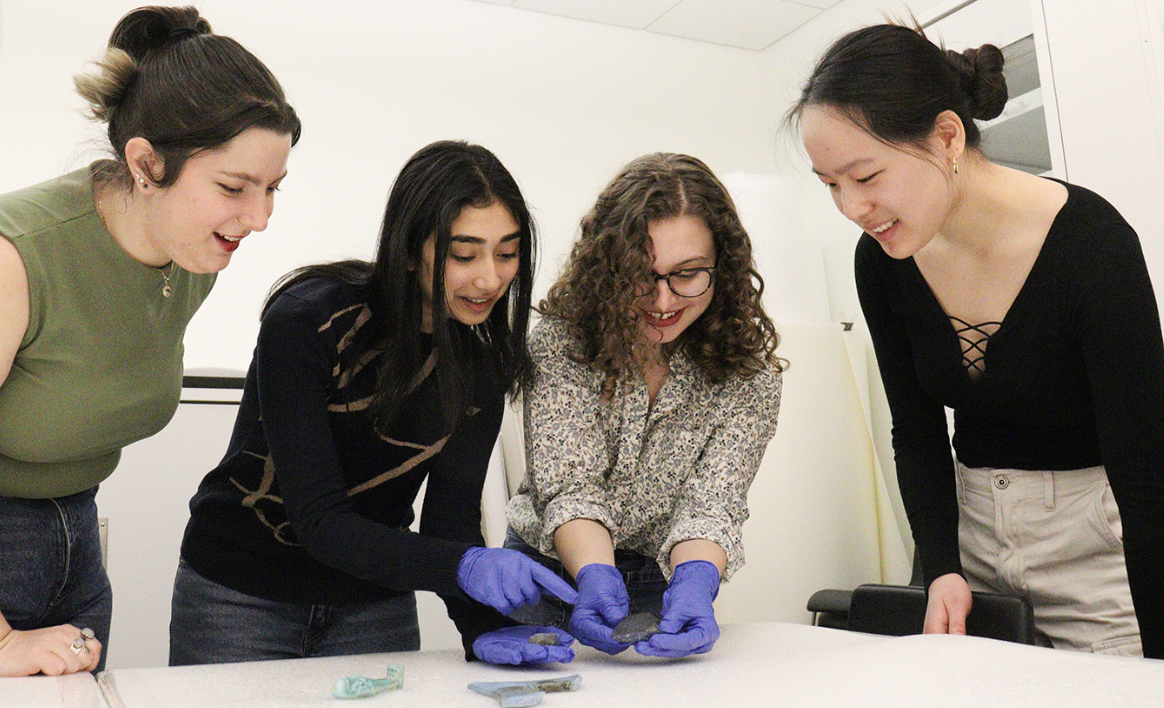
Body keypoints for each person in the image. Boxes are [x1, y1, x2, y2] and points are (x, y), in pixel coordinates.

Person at [788, 23, 1164, 658]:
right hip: (968, 533)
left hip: (1098, 547)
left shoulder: (1093, 245)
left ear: (947, 136)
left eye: (865, 175)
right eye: (830, 184)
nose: (851, 207)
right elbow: (916, 427)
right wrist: (939, 565)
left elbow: (1146, 465)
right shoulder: (882, 260)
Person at [170, 140, 577, 668]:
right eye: (463, 254)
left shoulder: (480, 368)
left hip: (373, 606)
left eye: (506, 253)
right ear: (411, 248)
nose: (490, 278)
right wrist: (467, 567)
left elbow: (449, 524)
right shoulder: (310, 320)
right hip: (242, 596)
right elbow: (321, 520)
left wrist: (481, 627)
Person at [0, 5, 299, 677]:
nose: (259, 218)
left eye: (274, 189)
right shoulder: (17, 256)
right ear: (145, 163)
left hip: (74, 538)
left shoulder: (191, 259)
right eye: (234, 187)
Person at [504, 153, 784, 659]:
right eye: (640, 275)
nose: (662, 300)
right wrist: (592, 571)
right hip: (552, 575)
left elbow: (712, 503)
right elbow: (571, 487)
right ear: (606, 271)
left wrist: (698, 578)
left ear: (724, 267)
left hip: (665, 581)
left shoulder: (750, 373)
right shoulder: (562, 342)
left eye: (687, 274)